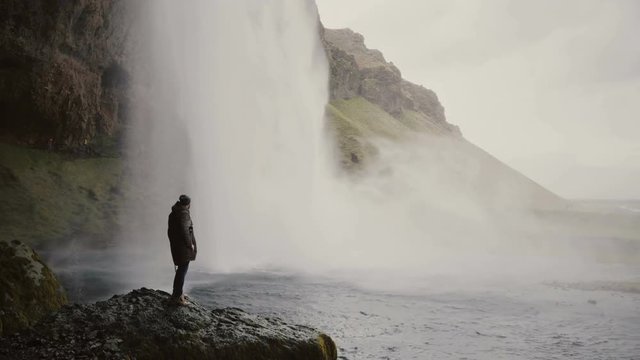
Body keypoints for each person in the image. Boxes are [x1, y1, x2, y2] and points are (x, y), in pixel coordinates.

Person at [167, 194, 197, 305]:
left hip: (176, 245)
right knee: (182, 270)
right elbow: (186, 231)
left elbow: (169, 232)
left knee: (180, 269)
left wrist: (174, 243)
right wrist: (190, 245)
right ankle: (177, 297)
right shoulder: (184, 214)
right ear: (188, 204)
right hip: (183, 247)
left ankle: (178, 294)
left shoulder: (173, 213)